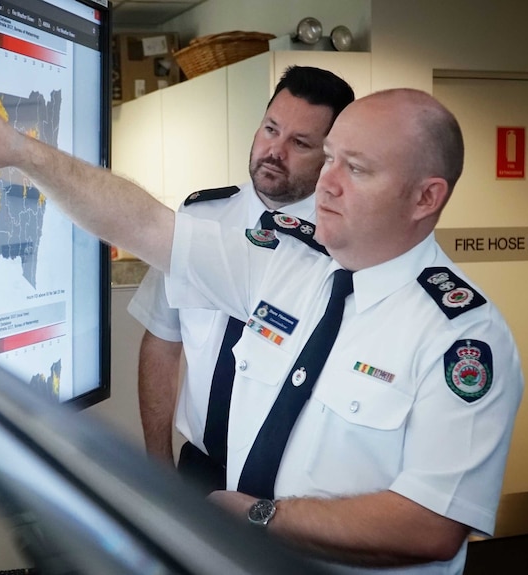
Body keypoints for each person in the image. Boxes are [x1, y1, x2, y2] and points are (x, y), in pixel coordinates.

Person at [0, 76, 524, 573]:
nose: (328, 184)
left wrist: (263, 517)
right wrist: (25, 153)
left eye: (357, 169)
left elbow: (432, 525)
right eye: (332, 158)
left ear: (425, 198)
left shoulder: (462, 338)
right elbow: (144, 225)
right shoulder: (284, 263)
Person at [126, 66, 354, 495]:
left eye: (300, 143)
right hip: (202, 468)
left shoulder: (343, 248)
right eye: (271, 129)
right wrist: (158, 466)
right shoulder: (200, 220)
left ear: (331, 155)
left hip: (295, 484)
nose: (275, 151)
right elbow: (161, 340)